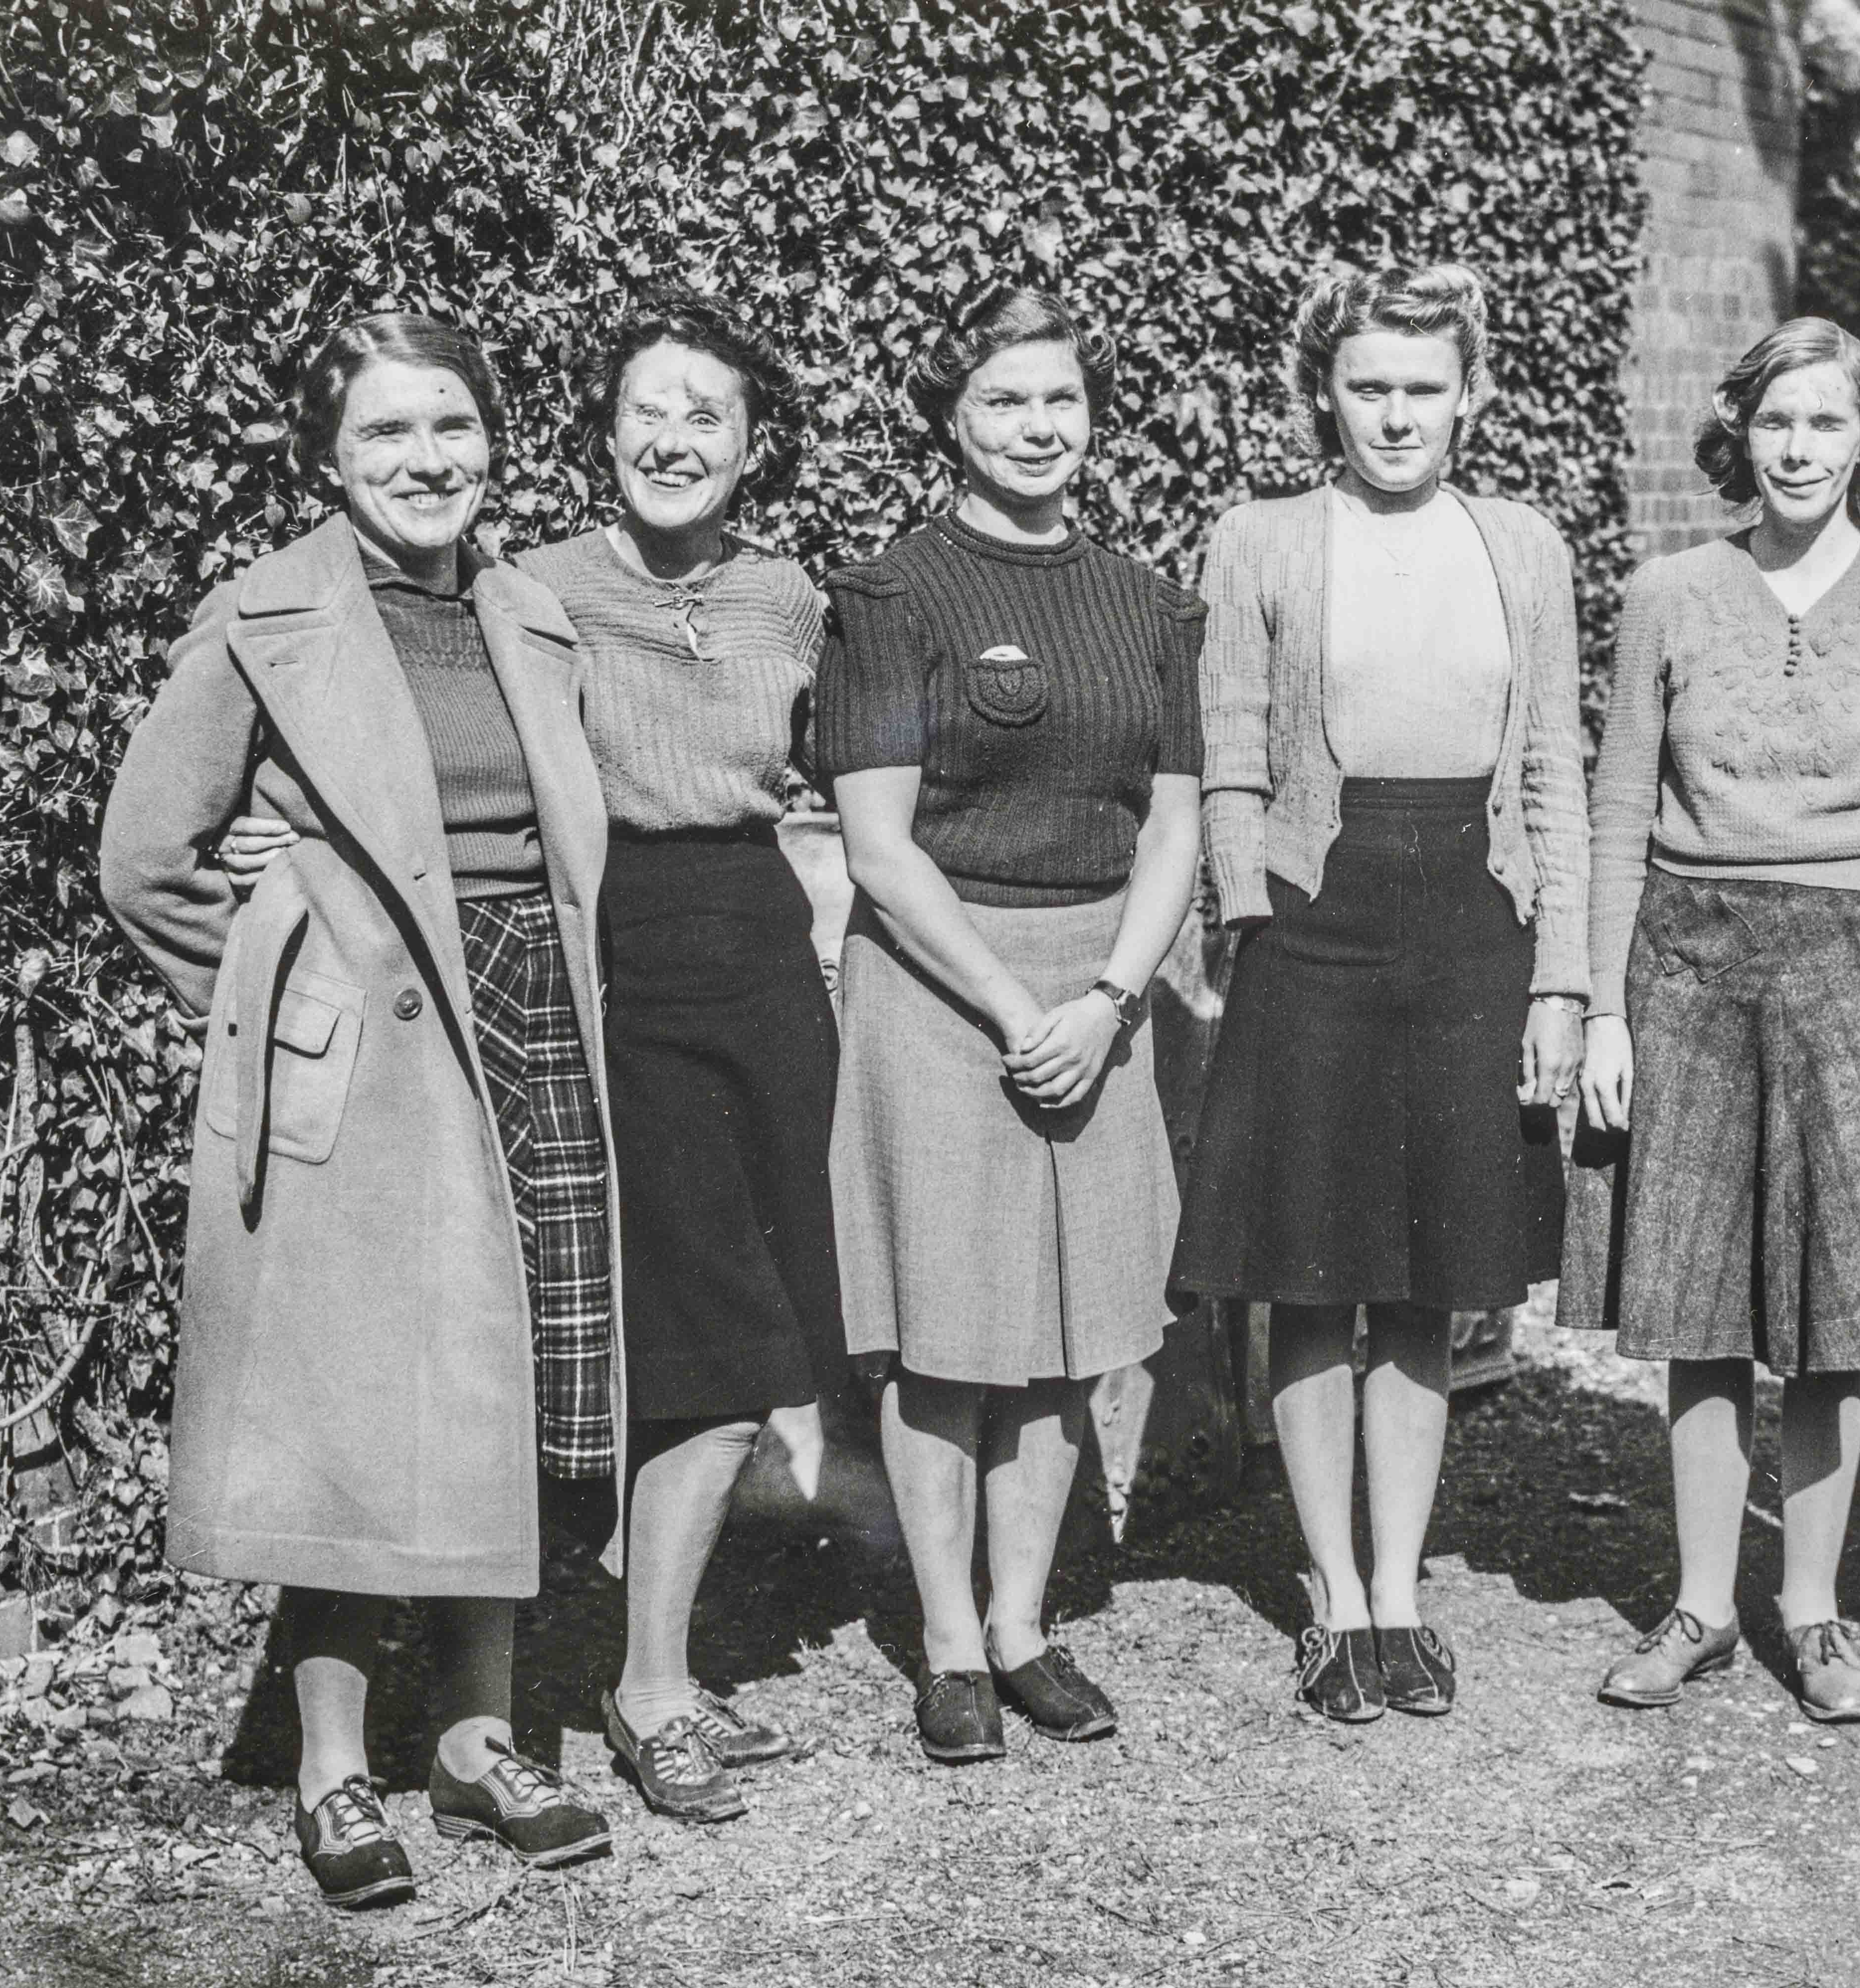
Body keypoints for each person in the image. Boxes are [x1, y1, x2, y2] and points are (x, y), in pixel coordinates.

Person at [218, 291, 844, 1823]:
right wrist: (290, 957)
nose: (676, 437)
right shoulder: (515, 590)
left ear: (757, 447)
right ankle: (397, 1747)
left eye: (711, 414)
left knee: (678, 1348)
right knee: (468, 1363)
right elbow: (205, 846)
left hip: (688, 984)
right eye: (650, 408)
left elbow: (836, 776)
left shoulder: (759, 600)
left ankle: (582, 1704)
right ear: (598, 431)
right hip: (560, 991)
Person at [99, 313, 617, 1907]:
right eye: (388, 436)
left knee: (510, 1394)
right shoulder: (264, 620)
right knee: (353, 1413)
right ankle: (333, 1774)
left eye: (452, 425)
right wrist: (287, 999)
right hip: (370, 1063)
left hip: (533, 1028)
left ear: (493, 438)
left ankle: (474, 1737)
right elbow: (146, 860)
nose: (427, 462)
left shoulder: (529, 615)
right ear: (328, 459)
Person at [1171, 263, 1587, 1724]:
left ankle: (1401, 1590)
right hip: (1314, 915)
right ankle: (1331, 1597)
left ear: (1470, 393)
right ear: (1322, 397)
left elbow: (1555, 774)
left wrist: (1564, 983)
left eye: (1424, 386)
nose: (1396, 415)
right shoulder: (1262, 537)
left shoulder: (1525, 544)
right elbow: (1227, 748)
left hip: (1475, 920)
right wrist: (1244, 924)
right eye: (1369, 386)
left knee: (1425, 1278)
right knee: (1307, 1270)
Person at [1567, 318, 1860, 1725]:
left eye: (1827, 423)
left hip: (1854, 971)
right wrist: (1607, 1006)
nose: (1800, 449)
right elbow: (1620, 801)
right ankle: (1697, 1601)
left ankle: (1808, 1610)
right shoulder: (1669, 592)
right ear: (1737, 437)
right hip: (1688, 963)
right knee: (1694, 1300)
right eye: (1775, 423)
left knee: (1826, 1313)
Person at [813, 286, 1202, 1764]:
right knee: (944, 1333)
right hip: (937, 988)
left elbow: (1172, 830)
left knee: (1061, 1328)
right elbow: (878, 845)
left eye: (1061, 399)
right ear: (951, 421)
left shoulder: (1149, 603)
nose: (1040, 429)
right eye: (1004, 402)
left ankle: (1027, 1625)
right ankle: (949, 1643)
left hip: (1098, 991)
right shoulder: (893, 597)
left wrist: (1108, 1001)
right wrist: (1008, 1002)